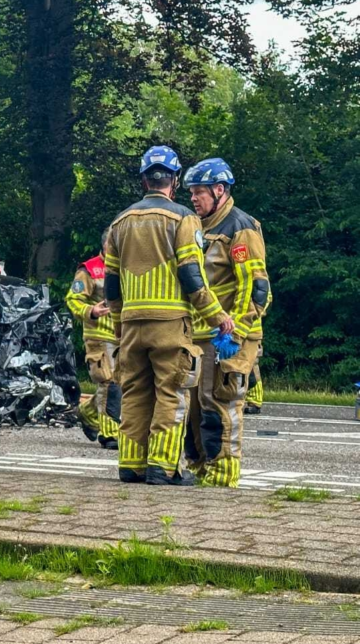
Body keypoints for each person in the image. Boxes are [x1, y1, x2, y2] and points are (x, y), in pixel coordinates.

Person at [104, 145, 234, 485]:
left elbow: (111, 284)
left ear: (144, 180)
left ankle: (130, 465)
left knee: (133, 393)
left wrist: (119, 324)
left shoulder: (120, 222)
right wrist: (217, 315)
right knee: (171, 393)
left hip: (131, 326)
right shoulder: (183, 219)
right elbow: (192, 275)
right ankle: (163, 467)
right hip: (171, 326)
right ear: (173, 180)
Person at [183, 158, 270, 488]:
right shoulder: (199, 227)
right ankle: (199, 467)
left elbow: (255, 285)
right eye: (191, 192)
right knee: (194, 410)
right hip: (200, 334)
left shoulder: (240, 227)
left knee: (219, 402)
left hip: (228, 336)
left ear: (220, 190)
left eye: (200, 192)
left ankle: (222, 475)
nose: (194, 198)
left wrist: (239, 329)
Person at [66, 228, 121, 450]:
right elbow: (72, 299)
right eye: (112, 244)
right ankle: (109, 434)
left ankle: (87, 413)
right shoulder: (89, 270)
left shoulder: (126, 267)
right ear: (104, 245)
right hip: (98, 335)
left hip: (122, 335)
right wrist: (91, 310)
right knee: (108, 382)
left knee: (123, 383)